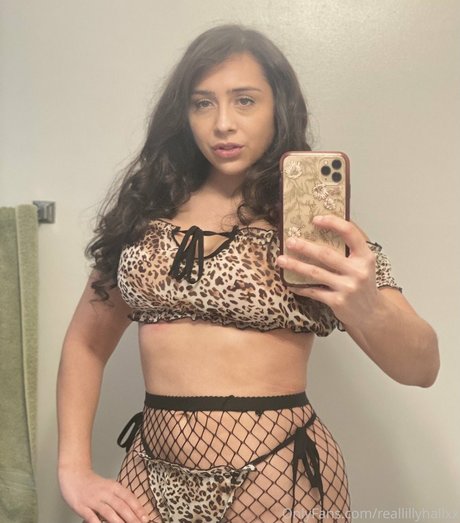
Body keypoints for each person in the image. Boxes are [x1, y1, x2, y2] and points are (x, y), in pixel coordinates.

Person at [57, 24, 439, 523]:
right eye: (202, 103)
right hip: (149, 473)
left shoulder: (314, 226)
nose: (222, 124)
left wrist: (367, 308)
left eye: (244, 100)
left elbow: (422, 369)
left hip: (277, 476)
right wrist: (74, 467)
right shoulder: (144, 214)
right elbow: (86, 343)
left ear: (278, 107)